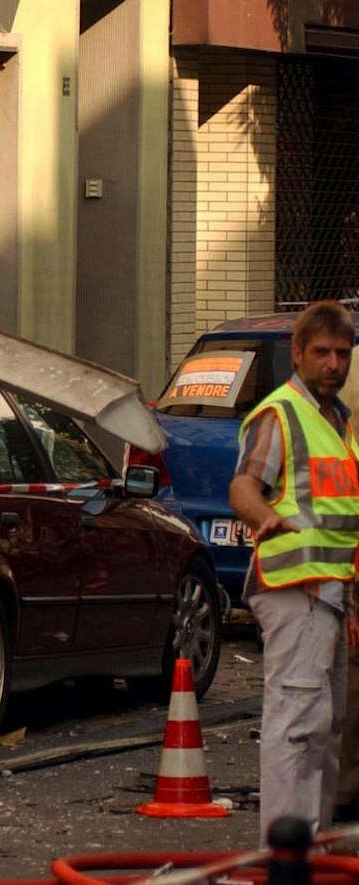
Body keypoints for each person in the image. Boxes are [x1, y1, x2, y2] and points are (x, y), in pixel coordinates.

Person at [229, 300, 359, 837]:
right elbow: (243, 487)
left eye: (343, 354)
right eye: (322, 352)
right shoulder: (281, 414)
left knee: (325, 729)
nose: (333, 363)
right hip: (294, 591)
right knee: (297, 724)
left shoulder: (340, 424)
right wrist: (265, 519)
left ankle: (311, 845)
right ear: (297, 353)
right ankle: (282, 854)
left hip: (329, 594)